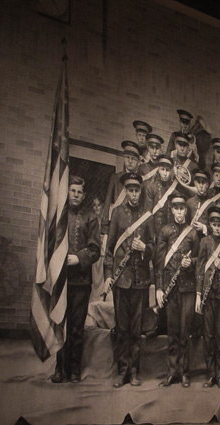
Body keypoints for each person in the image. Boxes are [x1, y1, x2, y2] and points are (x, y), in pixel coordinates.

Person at [105, 172, 155, 388]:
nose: (134, 194)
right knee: (122, 328)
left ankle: (134, 372)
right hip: (121, 279)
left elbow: (154, 247)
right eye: (131, 190)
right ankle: (122, 371)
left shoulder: (147, 216)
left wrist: (145, 248)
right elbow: (109, 248)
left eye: (137, 190)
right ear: (126, 191)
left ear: (141, 191)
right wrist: (108, 275)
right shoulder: (117, 213)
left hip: (140, 281)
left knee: (136, 330)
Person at [51, 176, 102, 384]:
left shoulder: (91, 218)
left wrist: (78, 258)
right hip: (61, 281)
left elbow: (95, 250)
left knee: (76, 327)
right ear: (68, 192)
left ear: (84, 195)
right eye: (72, 190)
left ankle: (74, 369)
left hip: (81, 282)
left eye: (79, 192)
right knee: (59, 325)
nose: (75, 195)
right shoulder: (60, 216)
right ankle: (59, 369)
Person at [156, 192, 200, 387]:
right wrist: (159, 288)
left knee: (184, 331)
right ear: (172, 210)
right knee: (172, 330)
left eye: (182, 208)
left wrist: (191, 263)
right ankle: (172, 371)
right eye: (176, 208)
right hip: (170, 289)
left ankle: (184, 372)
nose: (180, 212)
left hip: (188, 288)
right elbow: (159, 262)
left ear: (185, 211)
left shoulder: (192, 233)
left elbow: (200, 260)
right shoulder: (165, 231)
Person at [195, 205, 220, 388]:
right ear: (210, 225)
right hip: (208, 297)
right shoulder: (204, 243)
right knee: (208, 335)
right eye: (214, 225)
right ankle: (211, 374)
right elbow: (199, 270)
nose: (217, 228)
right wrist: (198, 294)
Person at [102, 140, 142, 235]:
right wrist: (105, 229)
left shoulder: (142, 180)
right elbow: (108, 202)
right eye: (127, 157)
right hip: (117, 224)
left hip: (134, 225)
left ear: (138, 161)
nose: (130, 161)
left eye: (133, 158)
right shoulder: (116, 178)